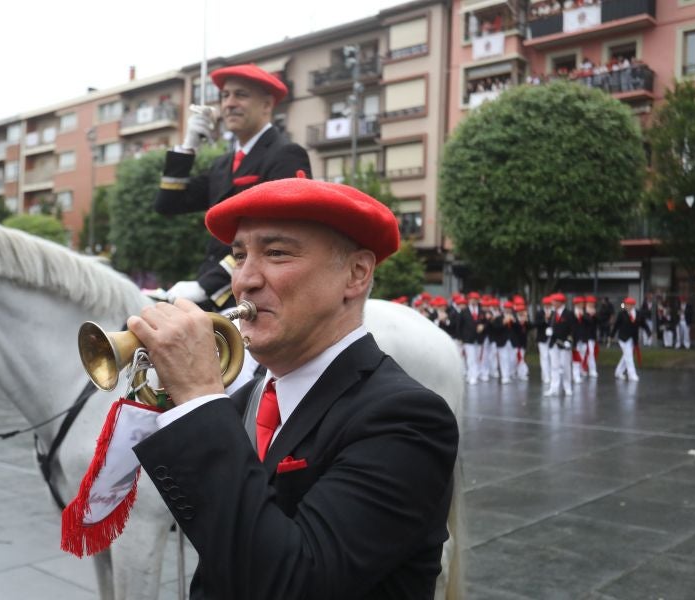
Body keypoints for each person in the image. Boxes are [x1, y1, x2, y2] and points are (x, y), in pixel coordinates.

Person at [129, 178, 459, 599]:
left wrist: (196, 398)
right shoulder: (245, 398)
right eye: (238, 256)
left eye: (276, 253)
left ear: (356, 274)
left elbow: (294, 583)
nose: (244, 280)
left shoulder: (408, 418)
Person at [155, 63, 312, 311]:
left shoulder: (286, 155)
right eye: (225, 96)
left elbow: (280, 233)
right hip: (219, 284)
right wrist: (188, 146)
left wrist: (206, 286)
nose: (229, 103)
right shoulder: (223, 164)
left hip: (258, 290)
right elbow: (168, 204)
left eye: (241, 94)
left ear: (267, 105)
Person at [611, 297, 651, 381]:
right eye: (627, 305)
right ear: (625, 305)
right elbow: (616, 325)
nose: (628, 306)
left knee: (626, 356)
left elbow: (643, 324)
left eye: (630, 305)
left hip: (633, 338)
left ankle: (618, 372)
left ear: (633, 305)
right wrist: (611, 335)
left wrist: (648, 332)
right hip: (623, 338)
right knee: (628, 356)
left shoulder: (638, 313)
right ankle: (631, 374)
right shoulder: (622, 314)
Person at [545, 292, 574, 397]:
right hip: (554, 343)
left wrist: (569, 340)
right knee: (554, 366)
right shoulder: (553, 313)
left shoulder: (568, 314)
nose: (552, 303)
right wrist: (548, 329)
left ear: (560, 302)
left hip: (564, 343)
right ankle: (554, 387)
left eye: (554, 301)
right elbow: (551, 325)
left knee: (566, 366)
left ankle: (568, 388)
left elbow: (572, 329)